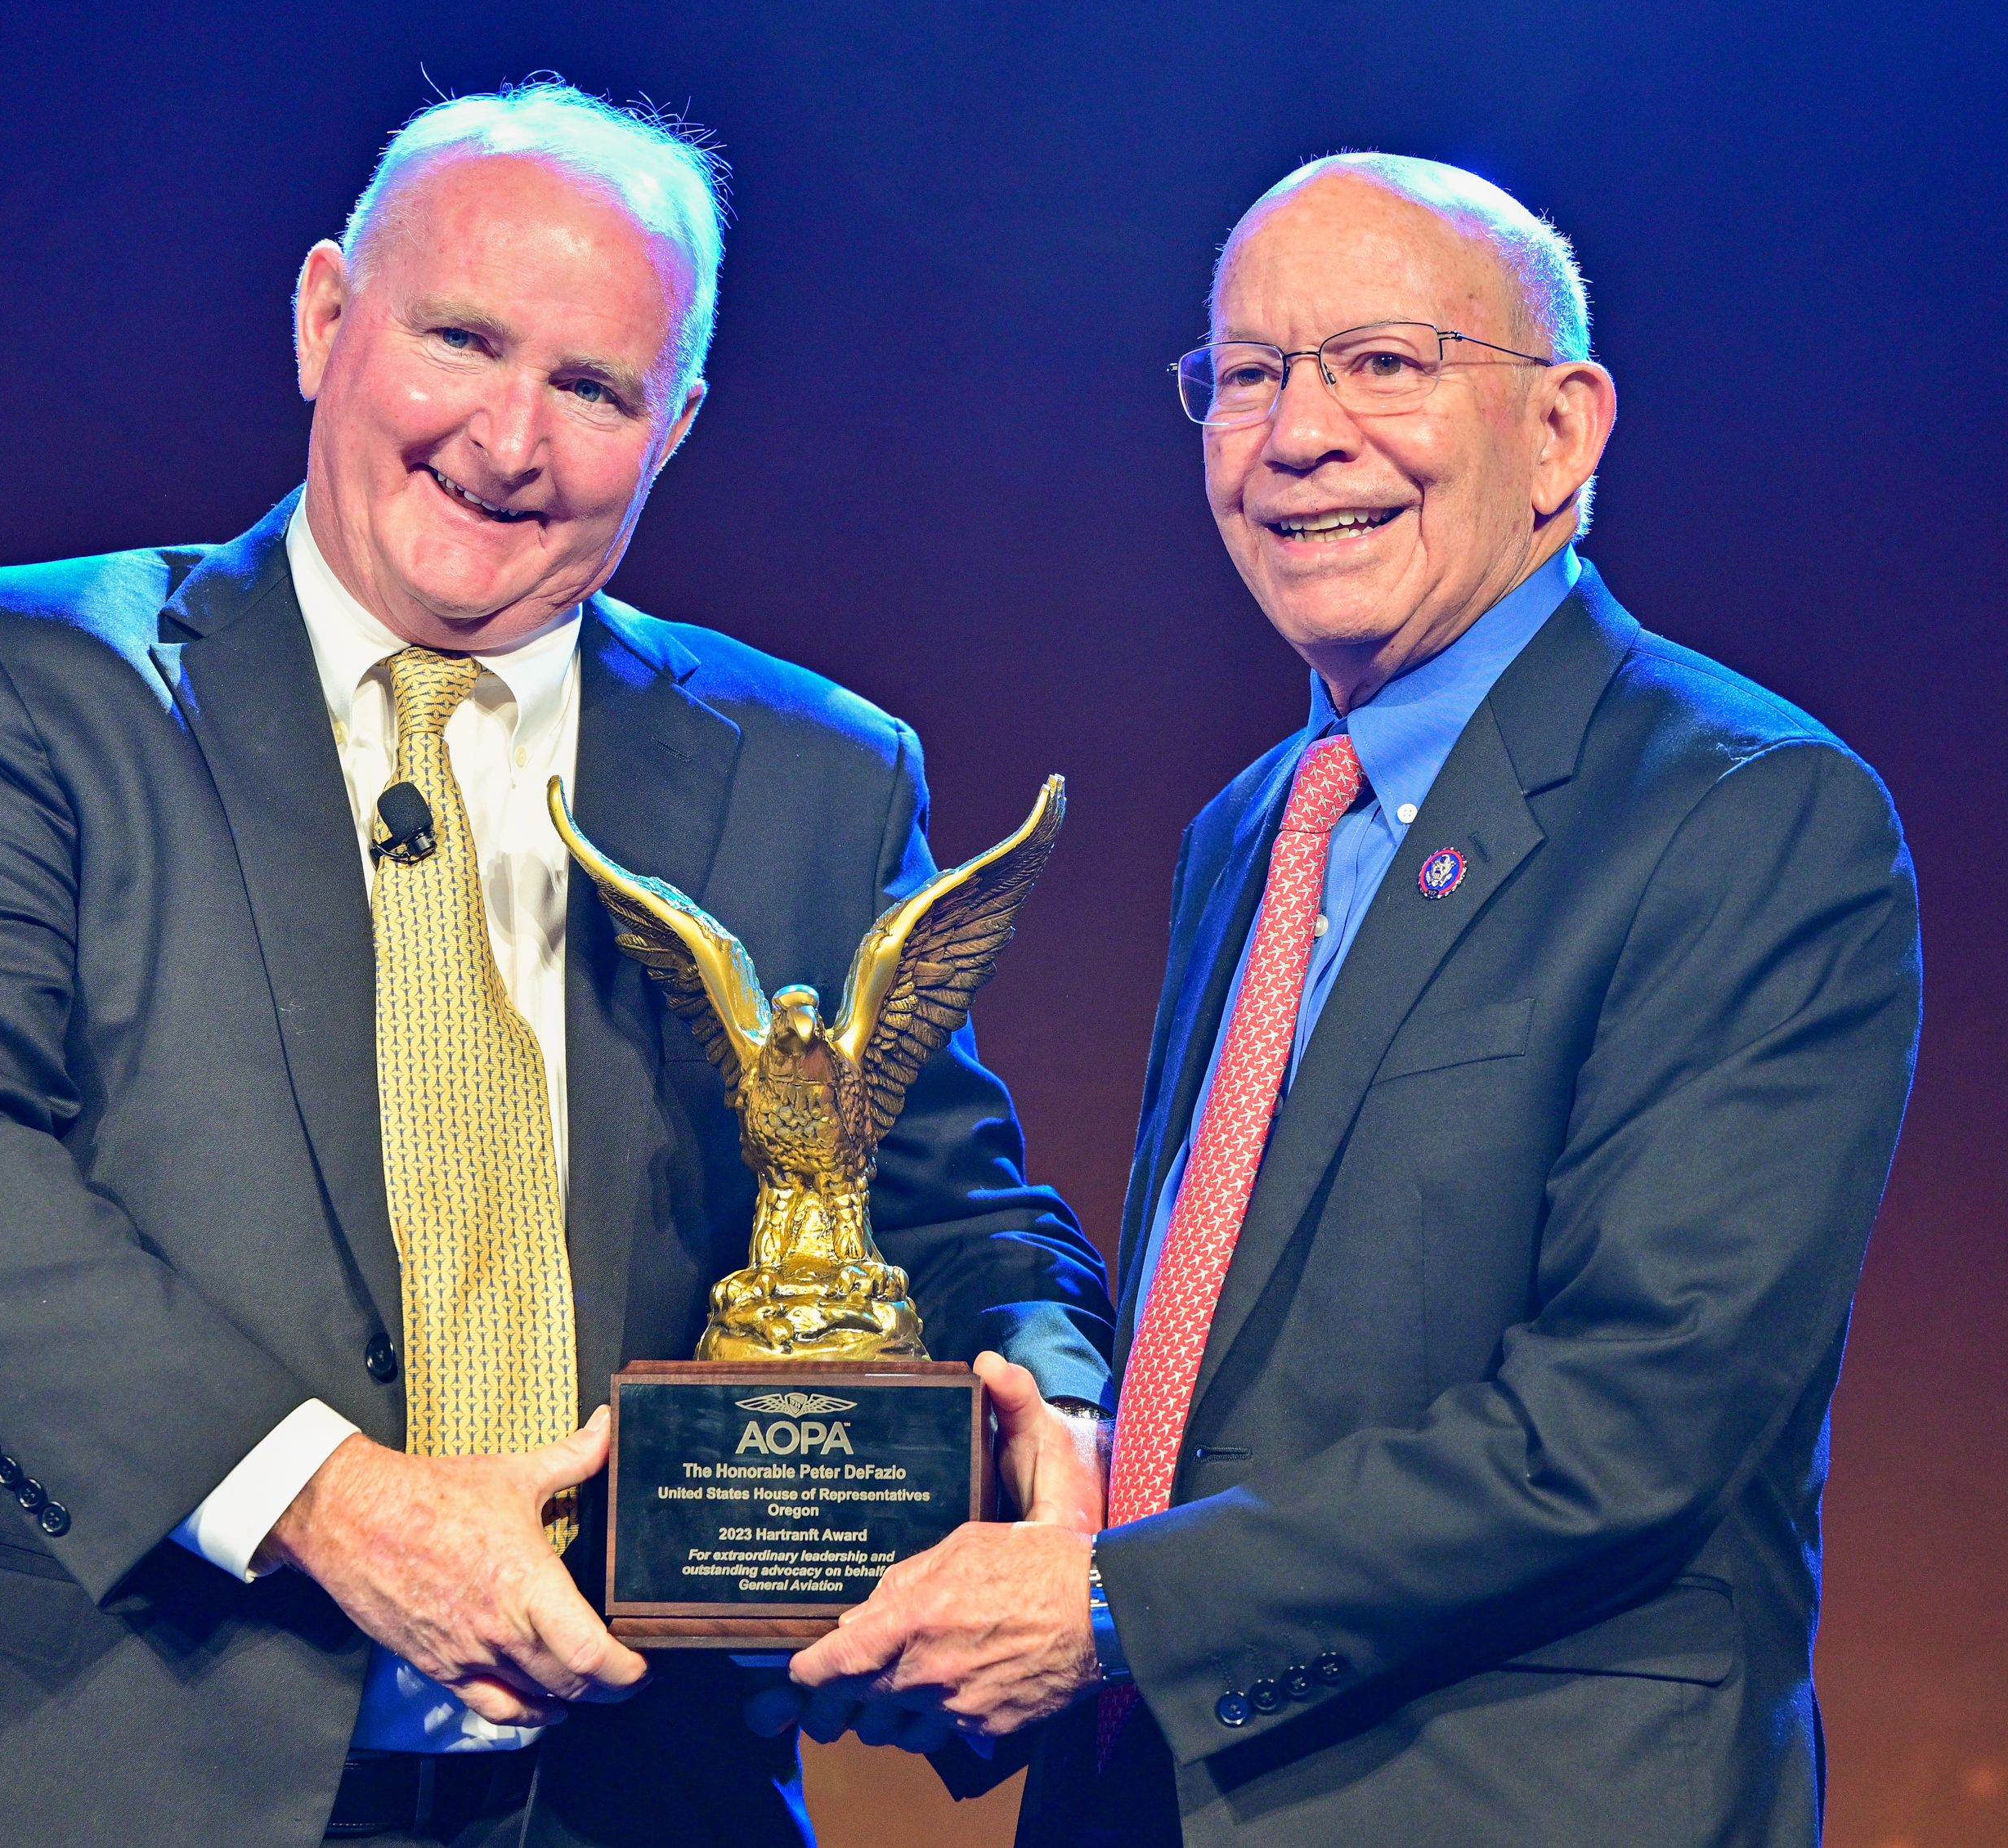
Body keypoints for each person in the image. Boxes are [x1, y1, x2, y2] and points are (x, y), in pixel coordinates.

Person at [0, 82, 1114, 1848]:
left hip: (631, 1791)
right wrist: (333, 1499)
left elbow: (937, 1205)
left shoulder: (812, 769)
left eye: (592, 387)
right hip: (97, 1760)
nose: (507, 438)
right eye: (459, 338)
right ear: (326, 315)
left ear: (676, 422)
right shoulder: (23, 676)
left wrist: (1049, 1429)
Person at [779, 153, 1921, 1847]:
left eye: (1381, 362)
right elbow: (1221, 1361)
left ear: (1559, 429)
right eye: (1243, 375)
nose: (1295, 434)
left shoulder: (1744, 809)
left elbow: (1631, 1418)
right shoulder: (1256, 825)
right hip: (1161, 1786)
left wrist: (1105, 1608)